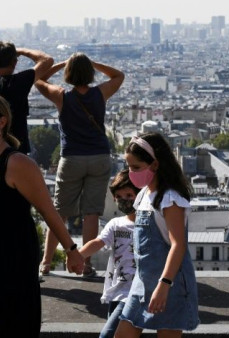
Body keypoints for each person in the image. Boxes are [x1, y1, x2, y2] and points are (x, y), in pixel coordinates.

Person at [0, 93, 84, 337]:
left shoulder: (17, 164)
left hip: (11, 264)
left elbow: (48, 210)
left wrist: (71, 251)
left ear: (1, 121)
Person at [35, 53, 124, 277]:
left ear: (68, 74)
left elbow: (38, 79)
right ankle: (86, 264)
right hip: (99, 157)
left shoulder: (62, 96)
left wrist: (63, 64)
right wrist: (94, 63)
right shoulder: (100, 93)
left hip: (72, 158)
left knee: (59, 213)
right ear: (91, 73)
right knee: (91, 213)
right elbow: (118, 75)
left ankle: (45, 263)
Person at [115, 133, 199, 337]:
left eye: (135, 167)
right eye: (129, 166)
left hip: (169, 284)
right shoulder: (144, 194)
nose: (130, 172)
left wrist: (164, 284)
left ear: (155, 164)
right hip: (143, 283)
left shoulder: (169, 199)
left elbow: (178, 245)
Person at [78, 169, 139, 338]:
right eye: (119, 197)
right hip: (116, 290)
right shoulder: (116, 224)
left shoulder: (150, 224)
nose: (124, 201)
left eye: (128, 195)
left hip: (134, 293)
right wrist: (78, 256)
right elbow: (98, 242)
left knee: (107, 335)